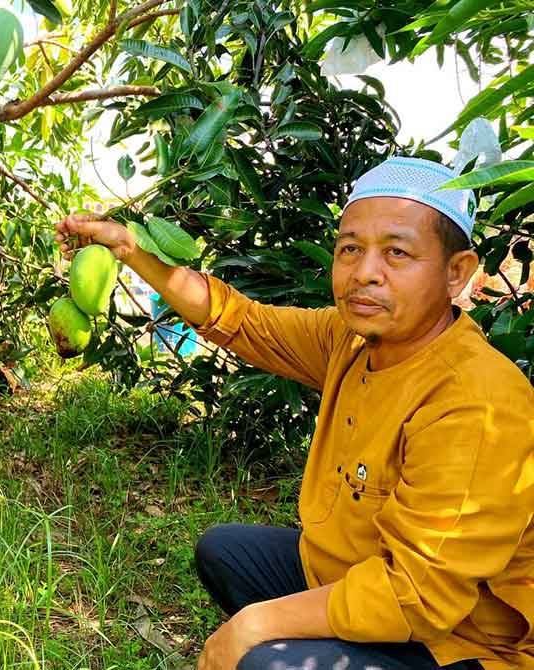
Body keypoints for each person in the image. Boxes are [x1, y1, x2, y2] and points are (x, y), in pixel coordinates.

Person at [55, 157, 534, 670]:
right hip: (356, 576)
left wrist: (252, 626)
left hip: (460, 641)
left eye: (397, 253)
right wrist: (128, 248)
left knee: (267, 660)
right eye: (350, 249)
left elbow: (420, 594)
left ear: (456, 272)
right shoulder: (349, 340)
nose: (364, 273)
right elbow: (239, 319)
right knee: (225, 551)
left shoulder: (478, 401)